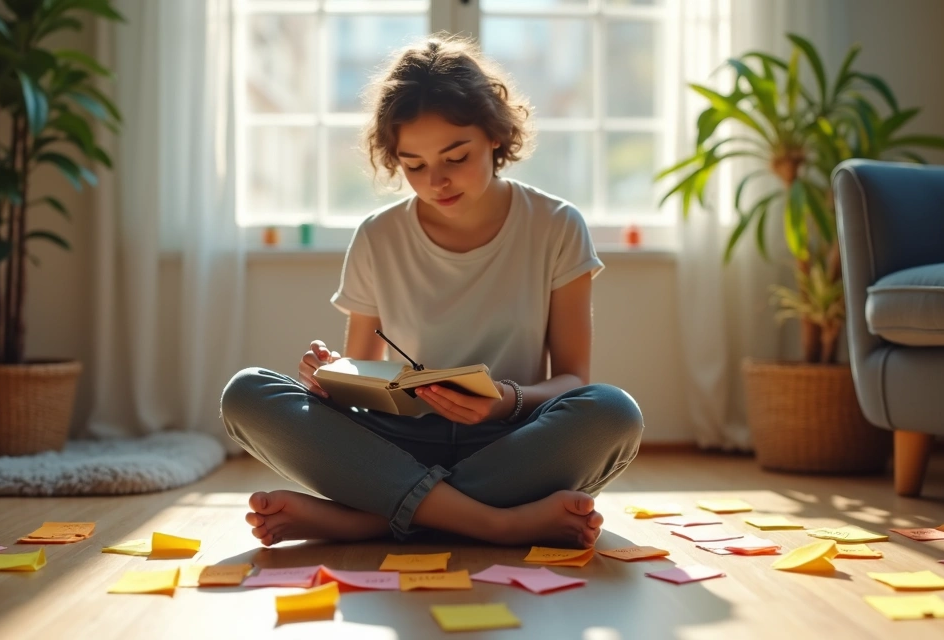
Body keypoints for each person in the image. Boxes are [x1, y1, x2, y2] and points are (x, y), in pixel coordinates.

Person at [220, 35, 643, 550]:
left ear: (494, 135)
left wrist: (505, 403)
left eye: (455, 156)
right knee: (247, 392)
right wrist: (331, 378)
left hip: (509, 440)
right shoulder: (377, 235)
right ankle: (496, 522)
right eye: (414, 165)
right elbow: (364, 372)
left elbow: (575, 380)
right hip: (397, 443)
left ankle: (368, 519)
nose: (435, 180)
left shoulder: (556, 225)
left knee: (613, 413)